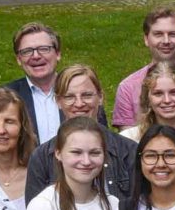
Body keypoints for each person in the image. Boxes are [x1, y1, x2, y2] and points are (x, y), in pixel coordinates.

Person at [26, 65, 139, 199]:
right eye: (69, 97)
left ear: (100, 97)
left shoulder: (128, 151)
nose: (79, 104)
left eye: (87, 95)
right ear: (58, 101)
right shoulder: (42, 157)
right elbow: (36, 209)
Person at [111, 8, 175, 130]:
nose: (166, 41)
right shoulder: (128, 88)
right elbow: (127, 140)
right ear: (146, 39)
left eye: (172, 34)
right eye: (158, 34)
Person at [4, 23, 66, 145]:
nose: (36, 56)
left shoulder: (79, 92)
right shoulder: (6, 96)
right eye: (27, 51)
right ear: (18, 59)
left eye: (44, 49)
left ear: (58, 54)